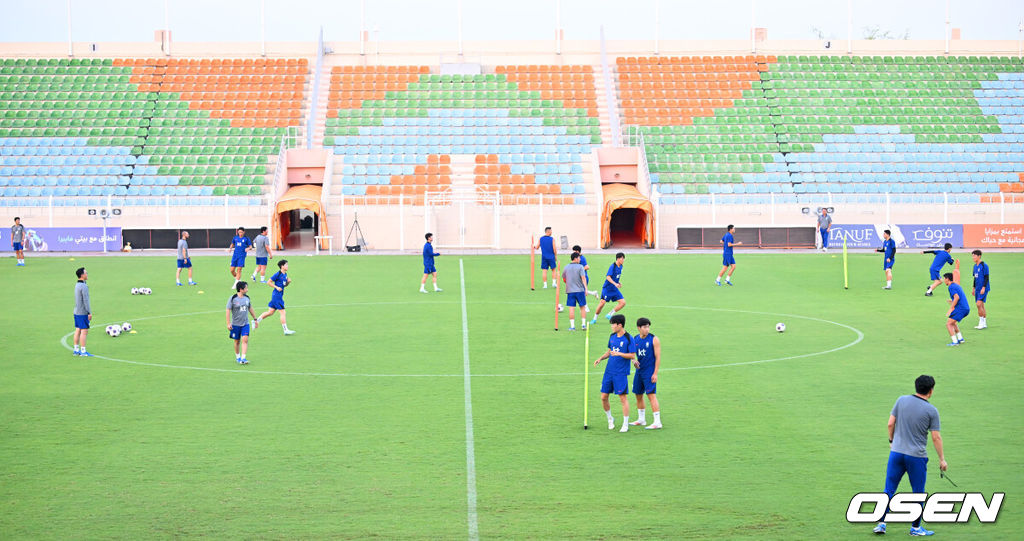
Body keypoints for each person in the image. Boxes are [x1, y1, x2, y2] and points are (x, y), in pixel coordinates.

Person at [872, 375, 946, 536]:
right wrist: (942, 459)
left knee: (889, 489)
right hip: (916, 457)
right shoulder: (932, 411)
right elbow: (936, 437)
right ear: (931, 390)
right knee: (918, 493)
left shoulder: (901, 400)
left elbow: (890, 423)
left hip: (896, 453)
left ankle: (881, 523)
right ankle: (915, 528)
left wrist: (891, 440)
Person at [593, 314, 636, 433]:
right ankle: (610, 419)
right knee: (603, 397)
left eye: (613, 324)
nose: (611, 326)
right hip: (609, 372)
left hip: (620, 373)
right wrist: (600, 358)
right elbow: (609, 351)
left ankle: (625, 424)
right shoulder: (612, 336)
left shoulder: (629, 338)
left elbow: (632, 355)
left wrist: (620, 354)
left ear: (620, 325)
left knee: (623, 398)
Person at [629, 317, 662, 430]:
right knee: (638, 394)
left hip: (649, 372)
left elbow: (658, 358)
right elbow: (632, 355)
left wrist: (655, 373)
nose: (647, 329)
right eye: (644, 327)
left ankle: (657, 422)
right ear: (639, 328)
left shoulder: (654, 339)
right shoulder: (635, 339)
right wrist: (634, 361)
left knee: (651, 395)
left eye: (648, 327)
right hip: (639, 372)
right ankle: (641, 419)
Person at [256, 259, 296, 335]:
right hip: (277, 296)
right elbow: (268, 282)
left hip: (277, 296)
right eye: (286, 265)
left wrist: (288, 282)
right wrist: (276, 287)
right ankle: (285, 330)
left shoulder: (285, 274)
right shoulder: (277, 274)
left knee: (270, 312)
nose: (288, 266)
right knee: (283, 312)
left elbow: (284, 285)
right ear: (282, 266)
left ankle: (256, 321)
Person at [226, 281, 259, 365]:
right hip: (235, 324)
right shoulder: (233, 298)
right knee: (237, 341)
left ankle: (243, 358)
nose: (247, 290)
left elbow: (250, 308)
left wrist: (255, 319)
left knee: (245, 339)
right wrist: (228, 323)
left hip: (245, 324)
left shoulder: (247, 298)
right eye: (246, 288)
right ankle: (238, 357)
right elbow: (228, 310)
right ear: (241, 289)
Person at [591, 252, 626, 325]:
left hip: (614, 289)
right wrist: (615, 283)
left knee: (623, 302)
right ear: (618, 259)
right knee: (602, 304)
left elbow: (616, 277)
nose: (623, 260)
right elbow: (608, 277)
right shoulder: (612, 266)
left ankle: (610, 314)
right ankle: (594, 319)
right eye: (622, 258)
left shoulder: (621, 266)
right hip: (607, 289)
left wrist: (618, 282)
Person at [561, 252, 588, 331]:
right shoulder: (580, 267)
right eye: (579, 258)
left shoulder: (566, 267)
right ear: (575, 258)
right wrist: (586, 289)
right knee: (582, 307)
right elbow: (583, 278)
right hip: (580, 290)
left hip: (570, 291)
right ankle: (583, 325)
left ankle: (572, 326)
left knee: (571, 308)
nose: (580, 259)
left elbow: (564, 278)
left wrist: (569, 284)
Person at [72, 267, 94, 357]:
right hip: (82, 312)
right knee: (84, 331)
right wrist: (89, 312)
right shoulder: (83, 286)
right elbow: (86, 300)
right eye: (86, 273)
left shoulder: (77, 285)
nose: (87, 274)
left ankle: (76, 349)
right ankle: (83, 351)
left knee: (78, 330)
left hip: (76, 311)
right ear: (82, 275)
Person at [943, 272, 969, 347]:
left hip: (961, 309)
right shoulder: (956, 285)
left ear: (947, 279)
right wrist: (952, 302)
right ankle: (960, 339)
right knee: (953, 322)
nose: (944, 280)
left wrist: (951, 308)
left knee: (948, 324)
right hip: (965, 308)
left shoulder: (951, 287)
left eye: (944, 279)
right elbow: (957, 298)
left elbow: (957, 297)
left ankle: (955, 342)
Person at [970, 250, 989, 330]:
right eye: (972, 256)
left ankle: (981, 322)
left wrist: (984, 287)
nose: (973, 257)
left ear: (979, 256)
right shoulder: (975, 266)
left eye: (974, 256)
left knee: (978, 304)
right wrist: (973, 288)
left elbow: (986, 277)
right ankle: (984, 323)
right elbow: (975, 277)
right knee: (981, 305)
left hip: (983, 288)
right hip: (977, 288)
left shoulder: (984, 265)